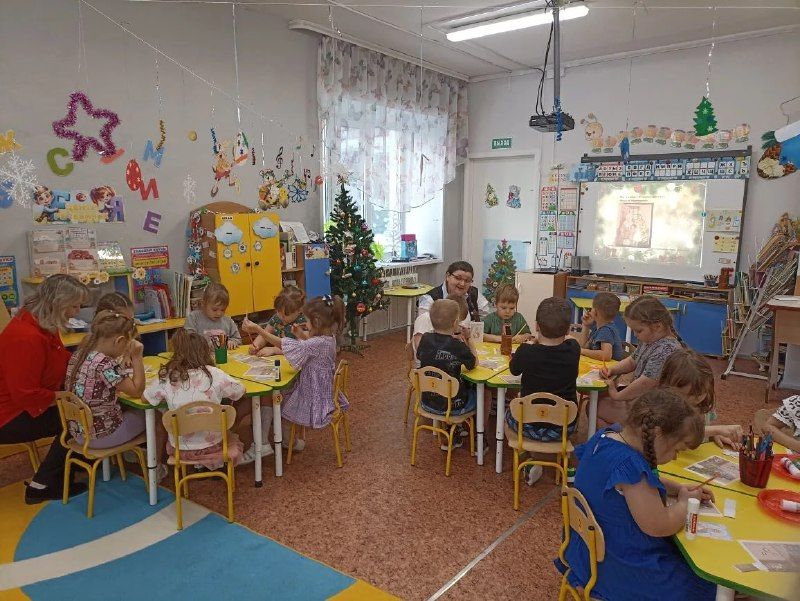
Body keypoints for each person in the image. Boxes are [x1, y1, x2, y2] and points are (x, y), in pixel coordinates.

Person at [559, 389, 715, 601]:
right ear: (658, 434)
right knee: (705, 586)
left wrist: (677, 488)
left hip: (585, 554)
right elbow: (659, 525)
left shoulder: (605, 438)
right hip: (617, 569)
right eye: (677, 449)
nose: (675, 457)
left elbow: (638, 484)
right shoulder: (631, 466)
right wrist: (685, 503)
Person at [0, 274, 90, 504]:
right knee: (76, 418)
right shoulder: (26, 337)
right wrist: (65, 397)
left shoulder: (42, 324)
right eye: (74, 306)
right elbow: (25, 394)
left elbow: (59, 358)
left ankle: (73, 462)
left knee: (81, 409)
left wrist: (89, 363)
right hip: (9, 416)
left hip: (21, 405)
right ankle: (42, 485)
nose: (76, 312)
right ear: (59, 303)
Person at [248, 295, 348, 453]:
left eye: (307, 321)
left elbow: (285, 344)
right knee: (281, 395)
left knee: (279, 400)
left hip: (314, 397)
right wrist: (301, 334)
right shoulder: (329, 338)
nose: (306, 324)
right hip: (324, 391)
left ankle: (287, 442)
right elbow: (309, 344)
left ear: (316, 322)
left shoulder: (318, 342)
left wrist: (259, 330)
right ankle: (280, 440)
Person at [143, 330, 246, 469]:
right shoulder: (214, 374)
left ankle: (162, 469)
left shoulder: (168, 376)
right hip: (214, 446)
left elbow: (145, 398)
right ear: (205, 352)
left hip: (180, 450)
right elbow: (240, 391)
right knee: (231, 432)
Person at [507, 297, 580, 484]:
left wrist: (532, 343)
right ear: (568, 329)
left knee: (507, 414)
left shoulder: (526, 351)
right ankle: (568, 464)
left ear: (536, 326)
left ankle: (527, 457)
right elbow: (570, 341)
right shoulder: (573, 349)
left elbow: (513, 369)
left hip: (527, 426)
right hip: (563, 427)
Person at [64, 310, 147, 449]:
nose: (125, 350)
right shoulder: (105, 364)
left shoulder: (78, 354)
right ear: (119, 341)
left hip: (78, 433)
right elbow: (137, 391)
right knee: (155, 417)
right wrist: (137, 355)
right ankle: (153, 462)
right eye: (126, 345)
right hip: (100, 436)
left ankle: (127, 455)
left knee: (127, 409)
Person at [597, 296, 684, 426]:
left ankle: (634, 436)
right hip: (643, 402)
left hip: (655, 411)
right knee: (599, 406)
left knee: (595, 407)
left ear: (658, 326)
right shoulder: (650, 339)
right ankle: (625, 435)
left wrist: (617, 396)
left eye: (638, 330)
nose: (635, 335)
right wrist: (612, 369)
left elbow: (645, 383)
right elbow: (633, 361)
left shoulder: (666, 350)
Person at [416, 299, 478, 450]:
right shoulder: (457, 346)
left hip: (426, 402)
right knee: (479, 392)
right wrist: (469, 338)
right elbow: (474, 363)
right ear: (456, 322)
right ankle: (478, 437)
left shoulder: (425, 339)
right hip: (453, 405)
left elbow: (419, 356)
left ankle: (453, 431)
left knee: (448, 387)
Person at [658, 350, 742, 449]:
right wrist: (715, 430)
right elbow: (678, 434)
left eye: (701, 393)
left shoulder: (705, 403)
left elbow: (704, 430)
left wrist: (714, 435)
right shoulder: (662, 409)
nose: (697, 399)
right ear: (668, 388)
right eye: (689, 394)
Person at [243, 285, 307, 357]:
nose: (281, 317)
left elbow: (298, 348)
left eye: (286, 314)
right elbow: (265, 335)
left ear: (299, 310)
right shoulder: (276, 318)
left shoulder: (302, 323)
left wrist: (274, 350)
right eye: (278, 311)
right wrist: (256, 345)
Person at [418, 261, 489, 323]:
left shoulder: (474, 293)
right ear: (447, 276)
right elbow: (424, 325)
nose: (462, 284)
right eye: (458, 278)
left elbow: (486, 319)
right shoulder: (429, 299)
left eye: (467, 281)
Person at [412, 294, 470, 367]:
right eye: (458, 321)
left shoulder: (441, 321)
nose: (458, 325)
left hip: (436, 364)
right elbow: (419, 348)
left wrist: (453, 338)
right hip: (424, 367)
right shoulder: (425, 319)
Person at [184, 283, 241, 349]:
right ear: (203, 304)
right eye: (214, 309)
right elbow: (188, 340)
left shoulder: (228, 321)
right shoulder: (193, 318)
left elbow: (237, 339)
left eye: (223, 310)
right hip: (200, 355)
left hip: (223, 355)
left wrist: (233, 342)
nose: (219, 313)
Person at [575, 292, 624, 361]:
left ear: (595, 311)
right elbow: (583, 346)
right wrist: (586, 325)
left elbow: (606, 355)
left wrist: (581, 351)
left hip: (609, 367)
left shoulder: (605, 330)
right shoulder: (598, 328)